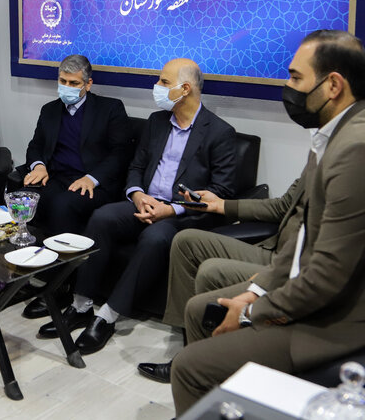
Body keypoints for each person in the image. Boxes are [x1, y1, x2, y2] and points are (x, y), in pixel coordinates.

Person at [165, 30, 365, 413]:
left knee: (190, 367)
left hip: (351, 320)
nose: (288, 86)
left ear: (333, 86)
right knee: (199, 310)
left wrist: (252, 312)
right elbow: (300, 239)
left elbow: (327, 276)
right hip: (328, 293)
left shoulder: (364, 149)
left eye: (296, 77)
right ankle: (231, 405)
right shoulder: (334, 136)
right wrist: (255, 292)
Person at [38, 58, 238, 355]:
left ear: (185, 89)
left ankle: (108, 316)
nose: (157, 86)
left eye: (163, 82)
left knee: (155, 237)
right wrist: (137, 194)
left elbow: (221, 191)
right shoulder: (157, 122)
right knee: (102, 218)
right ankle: (80, 305)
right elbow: (136, 165)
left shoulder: (219, 132)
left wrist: (172, 209)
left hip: (180, 214)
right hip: (143, 202)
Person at [135, 176, 305, 383]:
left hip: (294, 268)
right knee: (185, 241)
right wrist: (219, 204)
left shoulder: (339, 174)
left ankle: (200, 364)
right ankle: (190, 347)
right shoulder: (316, 162)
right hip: (275, 250)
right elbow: (282, 206)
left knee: (210, 271)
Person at [19, 54, 131, 319]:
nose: (66, 87)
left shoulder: (111, 108)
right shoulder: (49, 110)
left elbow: (121, 153)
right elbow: (36, 145)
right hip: (56, 177)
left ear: (88, 84)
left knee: (63, 206)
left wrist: (92, 178)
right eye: (62, 81)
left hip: (93, 184)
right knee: (25, 197)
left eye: (73, 83)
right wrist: (39, 166)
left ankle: (60, 288)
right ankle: (24, 273)